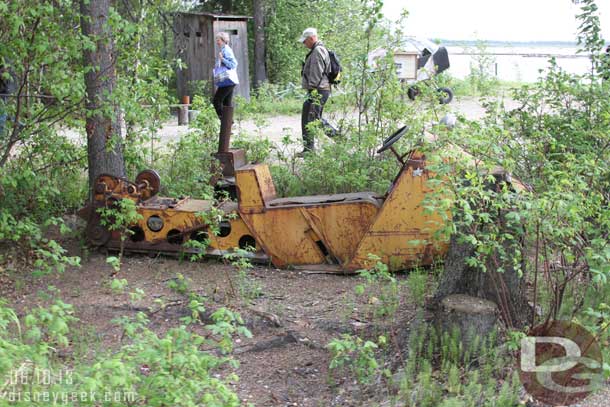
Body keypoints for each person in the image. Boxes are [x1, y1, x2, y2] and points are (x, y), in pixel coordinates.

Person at [298, 27, 335, 155]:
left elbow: (316, 74)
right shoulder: (316, 50)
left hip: (318, 90)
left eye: (305, 41)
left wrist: (312, 91)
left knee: (314, 119)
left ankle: (339, 138)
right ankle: (308, 149)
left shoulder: (318, 51)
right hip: (316, 90)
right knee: (308, 118)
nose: (304, 43)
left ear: (312, 38)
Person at [213, 32, 238, 120]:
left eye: (218, 40)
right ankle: (229, 125)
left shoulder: (226, 50)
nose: (217, 42)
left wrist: (222, 59)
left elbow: (234, 64)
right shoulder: (223, 49)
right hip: (228, 81)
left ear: (223, 40)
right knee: (227, 104)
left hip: (228, 80)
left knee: (217, 100)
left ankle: (225, 122)